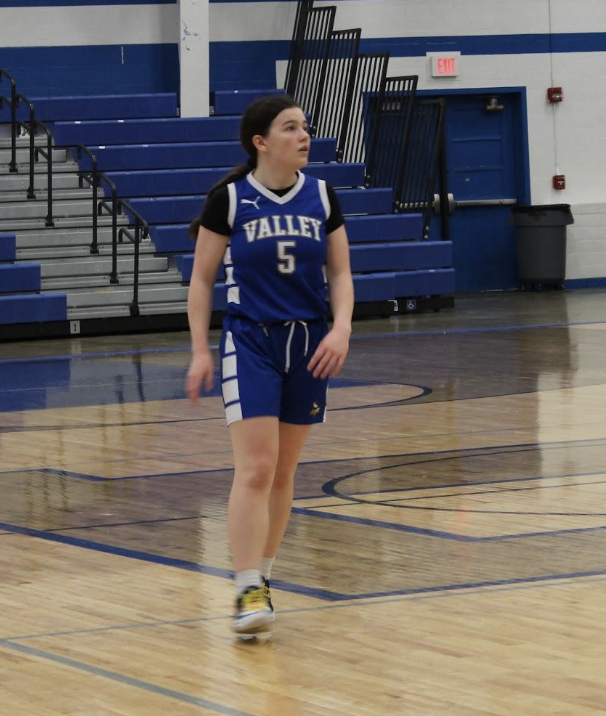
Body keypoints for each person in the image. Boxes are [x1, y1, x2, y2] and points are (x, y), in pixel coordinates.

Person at [185, 95, 354, 637]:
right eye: (290, 128)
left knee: (284, 472)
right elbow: (202, 281)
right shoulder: (229, 200)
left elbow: (341, 274)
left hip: (309, 342)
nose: (303, 135)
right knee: (256, 467)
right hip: (251, 339)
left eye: (305, 127)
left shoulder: (322, 195)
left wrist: (342, 328)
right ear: (261, 141)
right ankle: (245, 584)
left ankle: (264, 580)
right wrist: (199, 350)